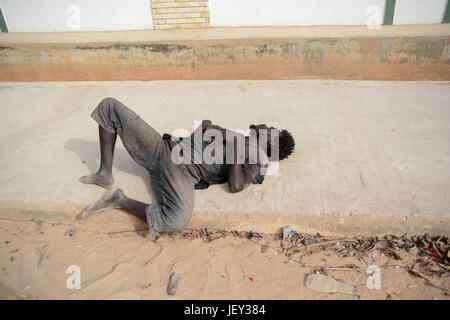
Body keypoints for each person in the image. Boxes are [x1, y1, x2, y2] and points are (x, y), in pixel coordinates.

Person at [79, 97, 295, 236]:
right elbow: (210, 127)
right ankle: (104, 174)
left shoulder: (256, 159)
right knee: (110, 107)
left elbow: (236, 185)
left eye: (270, 129)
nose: (266, 126)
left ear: (270, 143)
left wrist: (235, 147)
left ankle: (119, 200)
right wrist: (208, 127)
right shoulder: (238, 135)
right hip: (164, 148)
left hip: (182, 173)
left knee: (177, 221)